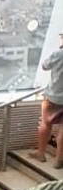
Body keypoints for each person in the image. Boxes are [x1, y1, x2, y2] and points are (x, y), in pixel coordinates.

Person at [29, 30, 63, 169]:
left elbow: (44, 66)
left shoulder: (58, 54)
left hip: (53, 96)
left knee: (45, 124)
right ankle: (58, 159)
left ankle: (41, 153)